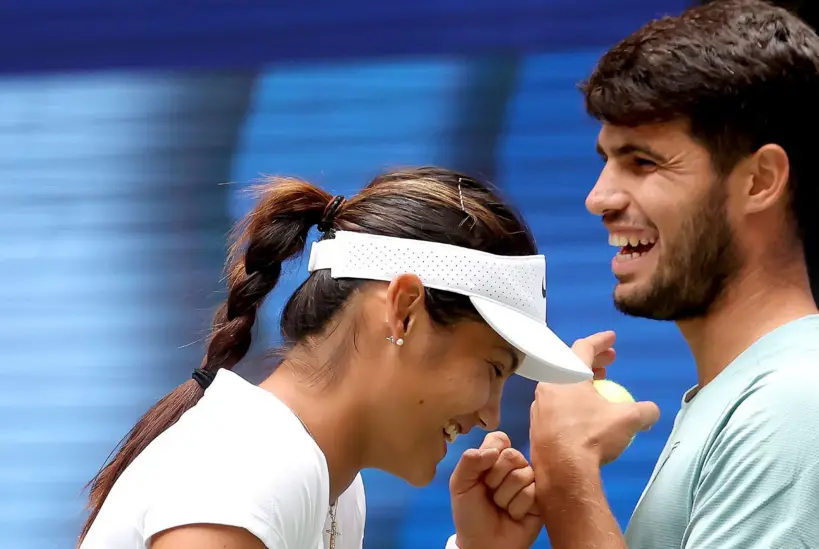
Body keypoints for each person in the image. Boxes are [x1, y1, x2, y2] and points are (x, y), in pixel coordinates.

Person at [529, 1, 819, 548]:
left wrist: (567, 475)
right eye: (606, 160)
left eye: (643, 161)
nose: (599, 198)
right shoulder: (755, 397)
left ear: (759, 181)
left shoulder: (796, 410)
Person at [77, 166, 597, 549]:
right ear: (404, 311)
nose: (490, 414)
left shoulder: (329, 484)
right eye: (493, 368)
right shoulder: (252, 463)